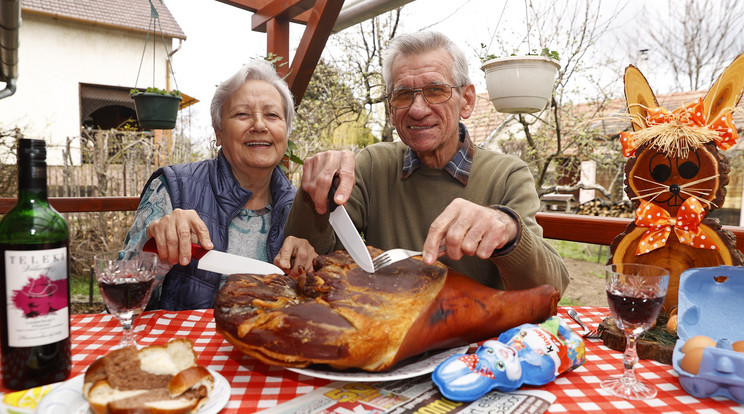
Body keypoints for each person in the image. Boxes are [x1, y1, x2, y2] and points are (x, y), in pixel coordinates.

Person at [284, 31, 569, 293]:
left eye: (436, 90)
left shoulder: (507, 175)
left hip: (480, 344)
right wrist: (316, 191)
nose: (418, 110)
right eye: (403, 94)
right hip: (389, 332)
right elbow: (311, 256)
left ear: (466, 101)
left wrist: (508, 231)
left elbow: (551, 288)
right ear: (390, 108)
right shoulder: (373, 164)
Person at [122, 60, 317, 310]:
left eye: (272, 115)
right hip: (188, 346)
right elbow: (125, 302)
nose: (259, 125)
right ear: (218, 131)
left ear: (286, 131)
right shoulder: (173, 189)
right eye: (242, 114)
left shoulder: (304, 208)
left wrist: (311, 272)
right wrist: (156, 251)